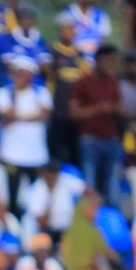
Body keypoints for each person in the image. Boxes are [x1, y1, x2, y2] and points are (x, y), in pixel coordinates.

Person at [0, 57, 53, 213]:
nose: (21, 77)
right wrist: (17, 97)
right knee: (12, 194)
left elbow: (44, 114)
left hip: (36, 154)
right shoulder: (4, 92)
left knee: (37, 195)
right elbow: (8, 114)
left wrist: (19, 118)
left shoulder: (41, 92)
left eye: (25, 74)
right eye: (18, 73)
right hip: (12, 154)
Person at [72, 44, 125, 208]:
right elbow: (74, 113)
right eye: (108, 60)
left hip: (111, 138)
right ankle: (90, 217)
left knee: (112, 183)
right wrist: (99, 109)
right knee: (90, 182)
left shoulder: (113, 82)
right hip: (89, 140)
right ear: (98, 60)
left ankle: (113, 220)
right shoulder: (84, 82)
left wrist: (114, 109)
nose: (111, 64)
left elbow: (121, 107)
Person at [48, 13, 89, 166]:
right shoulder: (52, 51)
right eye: (65, 29)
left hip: (75, 114)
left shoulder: (80, 55)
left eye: (71, 29)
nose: (68, 32)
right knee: (56, 153)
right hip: (58, 111)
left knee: (75, 154)